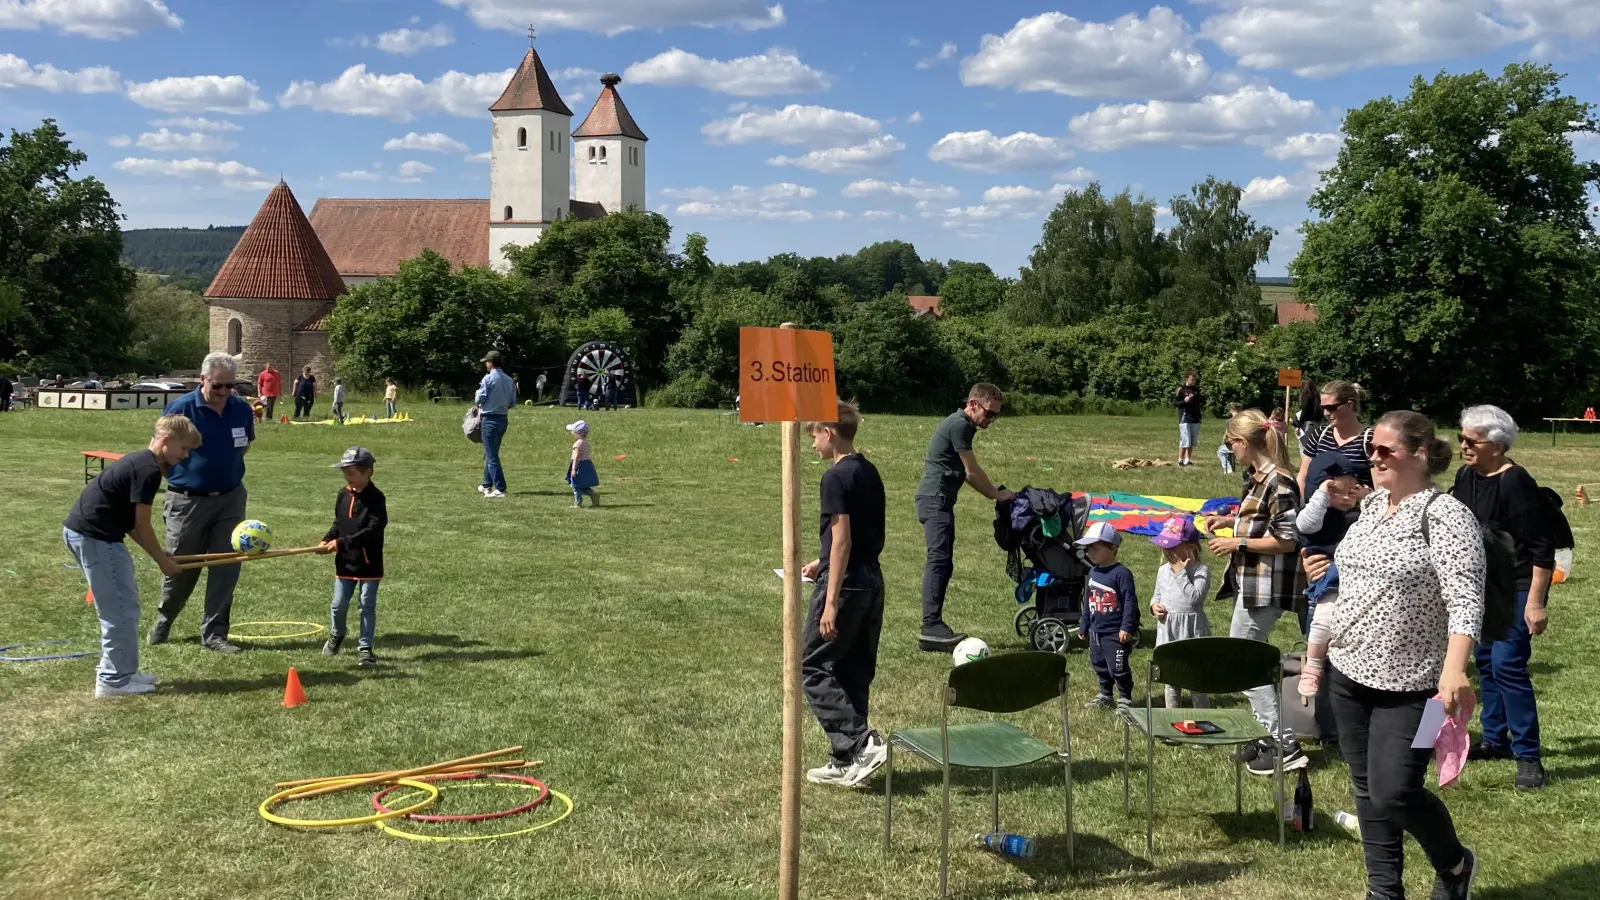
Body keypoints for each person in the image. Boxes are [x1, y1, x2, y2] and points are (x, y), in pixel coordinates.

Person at [1311, 411, 1484, 900]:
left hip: (1421, 689)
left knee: (1396, 792)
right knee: (1367, 790)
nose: (1374, 458)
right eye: (1371, 449)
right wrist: (1326, 564)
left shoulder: (1447, 516)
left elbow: (1466, 597)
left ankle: (1454, 865)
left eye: (1386, 450)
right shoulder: (1373, 507)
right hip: (1349, 672)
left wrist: (1455, 670)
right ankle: (1383, 892)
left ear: (1421, 454)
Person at [1451, 404, 1555, 791]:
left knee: (1508, 664)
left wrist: (1535, 602)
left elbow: (1542, 547)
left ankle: (1529, 757)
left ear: (1496, 445)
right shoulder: (1465, 476)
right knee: (1486, 663)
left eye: (1470, 441)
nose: (1463, 446)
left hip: (1516, 584)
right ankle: (1495, 740)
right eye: (1461, 438)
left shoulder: (1516, 482)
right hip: (1480, 585)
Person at [63, 416, 199, 697]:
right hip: (96, 538)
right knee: (120, 611)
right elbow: (141, 524)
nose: (185, 456)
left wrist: (159, 553)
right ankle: (113, 680)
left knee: (124, 607)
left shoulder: (141, 462)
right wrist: (163, 562)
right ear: (166, 441)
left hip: (89, 534)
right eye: (184, 449)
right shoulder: (148, 471)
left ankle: (122, 672)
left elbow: (129, 522)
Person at [1204, 408, 1308, 774]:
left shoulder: (1279, 481)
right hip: (1252, 585)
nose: (1229, 451)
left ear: (1243, 442)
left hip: (1268, 586)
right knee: (1247, 659)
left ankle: (1285, 744)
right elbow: (1260, 519)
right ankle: (1267, 736)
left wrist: (1238, 543)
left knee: (1243, 663)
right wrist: (1230, 520)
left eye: (1229, 444)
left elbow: (1288, 539)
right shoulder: (1259, 478)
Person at [798, 401, 887, 787]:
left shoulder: (834, 477)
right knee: (853, 669)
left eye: (814, 435)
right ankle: (847, 760)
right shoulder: (868, 470)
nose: (813, 443)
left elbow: (842, 540)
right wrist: (821, 562)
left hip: (847, 583)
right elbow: (861, 536)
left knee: (813, 665)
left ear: (828, 432)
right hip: (871, 580)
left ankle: (861, 742)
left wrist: (830, 600)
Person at [148, 353, 255, 654]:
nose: (224, 393)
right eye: (218, 386)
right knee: (180, 565)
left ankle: (215, 634)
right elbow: (158, 454)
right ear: (203, 379)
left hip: (231, 498)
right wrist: (184, 480)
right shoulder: (181, 409)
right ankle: (164, 620)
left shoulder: (240, 409)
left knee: (225, 566)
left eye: (230, 386)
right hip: (187, 501)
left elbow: (244, 444)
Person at [913, 384, 1016, 651]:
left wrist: (994, 492)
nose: (991, 420)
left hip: (939, 501)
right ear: (972, 404)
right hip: (935, 500)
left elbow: (966, 472)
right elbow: (971, 472)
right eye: (989, 413)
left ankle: (934, 626)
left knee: (944, 562)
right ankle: (930, 627)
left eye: (996, 415)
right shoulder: (959, 425)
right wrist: (996, 494)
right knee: (938, 560)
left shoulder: (963, 425)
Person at [1295, 451, 1370, 700]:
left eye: (1353, 490)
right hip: (1329, 582)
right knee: (1323, 619)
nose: (1348, 497)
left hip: (1353, 581)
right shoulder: (1317, 515)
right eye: (1341, 491)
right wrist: (1322, 493)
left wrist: (1367, 498)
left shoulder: (1356, 514)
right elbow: (1305, 525)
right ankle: (1313, 665)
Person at [318, 447, 387, 668]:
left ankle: (365, 647)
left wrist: (342, 543)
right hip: (345, 562)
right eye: (346, 474)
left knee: (366, 605)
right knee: (338, 605)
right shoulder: (343, 494)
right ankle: (337, 634)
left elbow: (373, 529)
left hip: (369, 562)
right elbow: (338, 523)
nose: (348, 478)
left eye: (352, 473)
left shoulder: (376, 498)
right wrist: (326, 539)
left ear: (368, 472)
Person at [1075, 522, 1139, 715]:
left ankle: (1125, 697)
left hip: (1115, 632)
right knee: (1099, 664)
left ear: (1112, 548)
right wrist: (1084, 625)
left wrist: (1127, 627)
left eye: (1096, 548)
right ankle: (1105, 694)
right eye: (1088, 549)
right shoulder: (1093, 572)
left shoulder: (1121, 573)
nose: (1091, 553)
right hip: (1096, 630)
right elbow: (1088, 600)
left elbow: (1130, 602)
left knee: (1117, 666)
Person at [1149, 516, 1212, 709]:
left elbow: (1194, 598)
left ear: (1191, 547)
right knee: (1171, 677)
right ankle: (1172, 716)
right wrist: (1154, 607)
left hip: (1191, 631)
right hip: (1169, 630)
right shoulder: (1163, 571)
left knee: (1195, 677)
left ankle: (1203, 717)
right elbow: (1156, 595)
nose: (1167, 550)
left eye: (1172, 546)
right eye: (1165, 546)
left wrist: (1180, 573)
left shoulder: (1201, 571)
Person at [1297, 380, 1372, 494]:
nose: (1326, 413)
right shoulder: (1319, 434)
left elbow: (1381, 485)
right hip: (1317, 509)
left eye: (1331, 407)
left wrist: (1366, 494)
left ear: (1349, 405)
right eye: (1323, 408)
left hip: (1355, 509)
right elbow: (1303, 477)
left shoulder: (1369, 438)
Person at [475, 350, 516, 499]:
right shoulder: (509, 379)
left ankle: (500, 488)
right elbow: (512, 402)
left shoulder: (487, 379)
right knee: (491, 452)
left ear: (491, 362)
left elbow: (479, 400)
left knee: (492, 456)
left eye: (486, 361)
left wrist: (477, 395)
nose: (485, 364)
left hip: (489, 418)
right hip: (503, 418)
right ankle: (486, 484)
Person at [565, 420, 600, 508]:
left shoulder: (577, 444)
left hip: (579, 466)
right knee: (582, 485)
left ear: (578, 433)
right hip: (587, 465)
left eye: (573, 431)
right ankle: (593, 494)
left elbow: (576, 457)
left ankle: (578, 503)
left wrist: (573, 469)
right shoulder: (586, 442)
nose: (572, 433)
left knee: (576, 485)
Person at [1174, 372, 1203, 467]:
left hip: (1195, 418)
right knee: (1185, 439)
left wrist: (1199, 417)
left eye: (1194, 379)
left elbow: (1198, 404)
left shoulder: (1196, 390)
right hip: (1185, 418)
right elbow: (1175, 403)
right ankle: (1180, 460)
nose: (1193, 381)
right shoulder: (1181, 390)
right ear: (1186, 379)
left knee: (1192, 440)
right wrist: (1184, 401)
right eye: (1192, 379)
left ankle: (1187, 459)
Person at [1294, 379, 1322, 447]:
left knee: (1304, 447)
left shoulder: (1307, 396)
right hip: (1316, 423)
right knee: (1313, 447)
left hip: (1307, 424)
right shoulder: (1317, 396)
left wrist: (1298, 426)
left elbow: (1304, 412)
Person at [1217, 402, 1242, 474]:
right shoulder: (1242, 420)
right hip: (1241, 442)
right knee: (1231, 454)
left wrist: (1224, 439)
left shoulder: (1230, 421)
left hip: (1233, 442)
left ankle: (1227, 468)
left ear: (1231, 410)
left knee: (1220, 452)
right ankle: (1232, 469)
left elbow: (1227, 433)